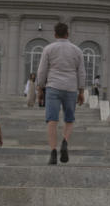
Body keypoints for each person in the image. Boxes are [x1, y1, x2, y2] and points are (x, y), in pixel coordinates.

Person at [36, 22, 86, 165]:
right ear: (67, 34)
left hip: (53, 87)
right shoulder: (77, 50)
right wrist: (81, 91)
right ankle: (64, 141)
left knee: (52, 120)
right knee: (69, 119)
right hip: (70, 88)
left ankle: (53, 151)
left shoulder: (48, 49)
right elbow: (81, 72)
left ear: (55, 34)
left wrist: (40, 89)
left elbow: (42, 71)